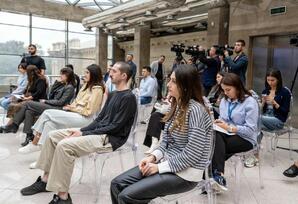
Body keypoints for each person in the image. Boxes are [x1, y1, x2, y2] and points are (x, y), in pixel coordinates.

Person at [20, 62, 137, 204]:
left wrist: (84, 133)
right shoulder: (112, 94)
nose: (110, 73)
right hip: (97, 132)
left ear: (124, 76)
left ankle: (63, 197)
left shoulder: (129, 98)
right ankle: (45, 180)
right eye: (110, 70)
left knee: (64, 146)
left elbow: (115, 127)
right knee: (52, 136)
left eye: (113, 71)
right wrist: (81, 130)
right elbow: (100, 118)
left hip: (110, 138)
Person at [110, 64, 213, 204]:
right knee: (116, 184)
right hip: (168, 163)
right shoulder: (176, 105)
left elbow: (192, 155)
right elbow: (165, 141)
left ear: (186, 85)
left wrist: (158, 167)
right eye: (169, 80)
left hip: (186, 174)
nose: (168, 84)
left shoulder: (196, 110)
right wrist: (153, 156)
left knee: (126, 196)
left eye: (174, 81)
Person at [17, 64, 104, 161]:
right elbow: (75, 102)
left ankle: (34, 142)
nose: (84, 75)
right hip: (76, 114)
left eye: (87, 73)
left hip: (86, 119)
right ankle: (44, 158)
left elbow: (89, 111)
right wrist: (72, 107)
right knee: (49, 124)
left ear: (94, 74)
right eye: (85, 72)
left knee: (47, 113)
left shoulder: (97, 90)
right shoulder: (85, 86)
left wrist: (72, 108)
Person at [211, 73, 258, 191]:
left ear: (237, 87)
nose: (225, 93)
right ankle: (217, 176)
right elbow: (223, 119)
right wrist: (219, 123)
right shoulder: (225, 101)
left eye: (228, 90)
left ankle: (213, 176)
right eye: (223, 90)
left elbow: (250, 130)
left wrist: (229, 128)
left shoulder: (250, 102)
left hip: (245, 138)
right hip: (227, 135)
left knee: (214, 146)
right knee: (214, 137)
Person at [9, 68, 75, 147]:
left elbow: (61, 102)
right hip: (52, 105)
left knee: (27, 103)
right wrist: (57, 83)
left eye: (62, 74)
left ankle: (15, 124)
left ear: (67, 75)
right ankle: (29, 135)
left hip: (57, 108)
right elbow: (51, 95)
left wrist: (45, 101)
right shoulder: (63, 85)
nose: (60, 76)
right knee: (29, 111)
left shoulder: (70, 87)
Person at [244, 69, 291, 168]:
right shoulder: (265, 91)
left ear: (278, 79)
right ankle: (254, 153)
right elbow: (262, 109)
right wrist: (263, 103)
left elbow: (285, 112)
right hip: (265, 118)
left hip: (278, 120)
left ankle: (252, 153)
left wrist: (274, 103)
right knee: (257, 126)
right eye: (268, 80)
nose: (270, 82)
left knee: (256, 121)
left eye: (272, 80)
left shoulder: (285, 92)